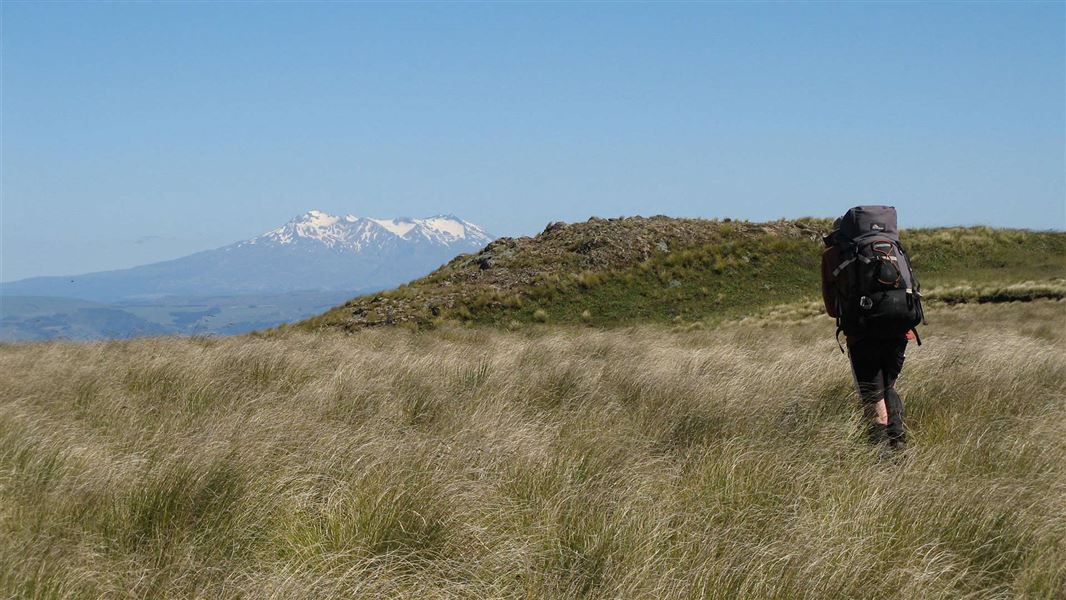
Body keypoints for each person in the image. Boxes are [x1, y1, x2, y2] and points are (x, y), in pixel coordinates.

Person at [821, 210, 921, 451]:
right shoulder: (891, 247)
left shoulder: (833, 255)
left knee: (872, 395)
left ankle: (881, 458)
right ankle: (899, 448)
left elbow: (832, 310)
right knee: (889, 387)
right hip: (901, 329)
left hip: (862, 333)